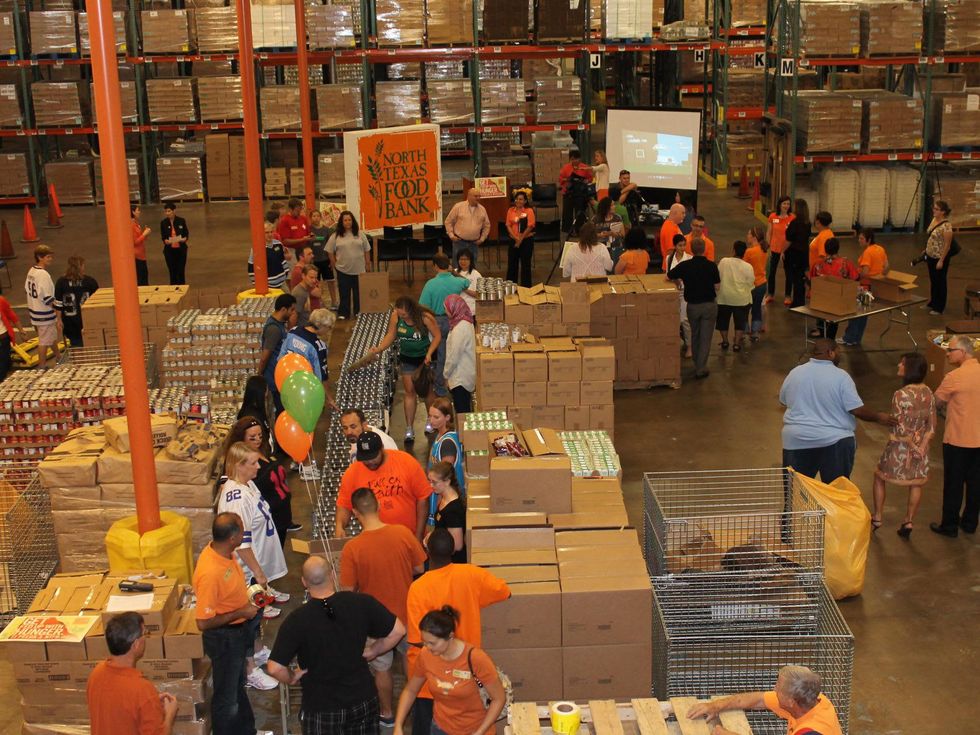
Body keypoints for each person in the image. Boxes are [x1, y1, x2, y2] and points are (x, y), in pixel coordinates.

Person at [267, 556, 406, 735]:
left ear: (304, 582)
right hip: (362, 700)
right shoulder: (361, 603)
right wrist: (373, 651)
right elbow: (398, 630)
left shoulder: (296, 620)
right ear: (332, 574)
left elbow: (274, 667)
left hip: (321, 707)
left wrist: (292, 677)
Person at [405, 530, 510, 735]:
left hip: (429, 679)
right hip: (466, 676)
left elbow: (418, 640)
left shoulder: (418, 588)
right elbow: (504, 592)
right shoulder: (472, 574)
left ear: (427, 551)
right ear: (453, 550)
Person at [340, 487, 426, 723]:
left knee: (382, 668)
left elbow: (348, 591)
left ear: (355, 513)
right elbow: (420, 568)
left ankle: (386, 713)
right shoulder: (403, 533)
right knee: (412, 662)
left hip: (375, 622)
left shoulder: (352, 548)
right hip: (407, 614)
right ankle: (419, 709)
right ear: (377, 505)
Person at [780, 338, 895, 481]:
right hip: (835, 441)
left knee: (795, 493)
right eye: (838, 352)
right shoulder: (841, 377)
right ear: (831, 353)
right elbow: (856, 410)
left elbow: (783, 400)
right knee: (836, 493)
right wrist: (879, 417)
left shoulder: (795, 373)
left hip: (797, 440)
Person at [192, 513, 261, 735]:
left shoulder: (223, 552)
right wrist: (240, 612)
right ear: (232, 538)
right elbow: (203, 622)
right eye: (241, 530)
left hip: (236, 634)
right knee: (226, 697)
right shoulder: (211, 573)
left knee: (236, 685)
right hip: (224, 639)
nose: (244, 533)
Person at [394, 606, 505, 735]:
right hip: (440, 728)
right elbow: (410, 690)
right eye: (424, 642)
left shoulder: (476, 659)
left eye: (432, 643)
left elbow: (499, 699)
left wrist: (480, 732)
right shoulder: (425, 655)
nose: (427, 647)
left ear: (450, 636)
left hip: (475, 729)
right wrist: (398, 726)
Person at [218, 442, 289, 617]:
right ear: (239, 465)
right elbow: (241, 544)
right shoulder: (237, 500)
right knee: (251, 607)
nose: (259, 466)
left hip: (261, 546)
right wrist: (257, 572)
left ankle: (265, 588)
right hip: (247, 566)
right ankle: (258, 598)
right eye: (253, 463)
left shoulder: (247, 483)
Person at [872, 352, 935, 538]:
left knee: (879, 476)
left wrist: (911, 445)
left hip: (900, 449)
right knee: (916, 483)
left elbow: (899, 428)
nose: (899, 365)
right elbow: (931, 426)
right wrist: (922, 446)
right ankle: (908, 520)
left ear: (910, 369)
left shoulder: (900, 395)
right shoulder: (928, 392)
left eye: (902, 364)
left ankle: (877, 517)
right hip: (921, 449)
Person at [86, 611, 179, 735]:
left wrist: (147, 705)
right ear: (135, 645)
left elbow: (116, 710)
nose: (146, 638)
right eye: (144, 634)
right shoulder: (142, 690)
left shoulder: (96, 674)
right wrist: (169, 716)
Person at [687, 665, 843, 735]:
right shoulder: (811, 700)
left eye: (778, 687)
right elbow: (758, 699)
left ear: (790, 701)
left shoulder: (811, 732)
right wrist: (716, 705)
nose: (774, 689)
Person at [335, 431, 433, 539]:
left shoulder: (406, 462)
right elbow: (344, 505)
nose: (370, 462)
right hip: (376, 542)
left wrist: (418, 537)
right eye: (365, 459)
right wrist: (340, 526)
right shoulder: (352, 473)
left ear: (381, 448)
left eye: (373, 457)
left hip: (410, 537)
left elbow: (423, 498)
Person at [370, 296, 441, 442]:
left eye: (405, 314)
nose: (402, 316)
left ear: (411, 310)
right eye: (400, 313)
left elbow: (437, 336)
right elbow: (391, 335)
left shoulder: (425, 318)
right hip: (407, 359)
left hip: (424, 361)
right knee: (410, 392)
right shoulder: (396, 317)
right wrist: (380, 348)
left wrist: (429, 353)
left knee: (427, 391)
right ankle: (409, 427)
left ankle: (430, 420)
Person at [929, 336, 980, 537]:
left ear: (963, 352)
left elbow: (937, 401)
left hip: (958, 440)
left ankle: (949, 525)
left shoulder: (954, 377)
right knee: (976, 484)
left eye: (950, 350)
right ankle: (969, 523)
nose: (948, 353)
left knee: (953, 484)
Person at [225, 416, 296, 544]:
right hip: (268, 520)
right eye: (252, 437)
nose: (257, 439)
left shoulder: (265, 450)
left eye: (260, 435)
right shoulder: (243, 463)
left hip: (282, 515)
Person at [420, 254, 474, 399]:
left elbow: (423, 307)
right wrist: (454, 272)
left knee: (441, 354)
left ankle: (439, 385)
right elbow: (467, 283)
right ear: (448, 266)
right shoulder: (457, 282)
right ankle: (451, 381)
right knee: (452, 353)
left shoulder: (430, 284)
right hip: (453, 320)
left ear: (435, 266)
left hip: (436, 321)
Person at [667, 238, 720, 379]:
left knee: (695, 334)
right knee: (705, 337)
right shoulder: (711, 266)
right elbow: (717, 286)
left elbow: (669, 275)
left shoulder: (685, 265)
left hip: (693, 306)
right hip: (709, 306)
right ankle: (701, 368)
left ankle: (697, 362)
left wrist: (677, 280)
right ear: (704, 250)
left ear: (691, 248)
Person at [841, 229, 889, 346]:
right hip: (874, 285)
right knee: (863, 314)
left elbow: (865, 272)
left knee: (855, 313)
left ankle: (849, 338)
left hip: (864, 286)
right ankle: (857, 338)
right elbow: (887, 266)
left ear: (869, 240)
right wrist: (878, 275)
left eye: (862, 238)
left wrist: (853, 273)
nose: (859, 240)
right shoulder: (880, 249)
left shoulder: (867, 253)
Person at [808, 238, 859, 341]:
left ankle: (822, 333)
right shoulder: (846, 264)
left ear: (825, 249)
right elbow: (855, 278)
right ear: (838, 248)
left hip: (820, 299)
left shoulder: (818, 264)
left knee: (821, 317)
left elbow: (812, 281)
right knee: (833, 321)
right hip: (838, 301)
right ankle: (830, 339)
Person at [327, 209, 372, 321]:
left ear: (353, 221)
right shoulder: (335, 236)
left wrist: (367, 263)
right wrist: (334, 263)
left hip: (359, 270)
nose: (347, 222)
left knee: (358, 294)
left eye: (349, 220)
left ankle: (358, 312)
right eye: (345, 220)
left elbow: (367, 250)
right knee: (344, 293)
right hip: (343, 270)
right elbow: (329, 250)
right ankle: (344, 312)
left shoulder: (360, 234)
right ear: (341, 222)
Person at [257, 293, 297, 416]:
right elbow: (265, 356)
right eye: (291, 310)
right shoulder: (273, 329)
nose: (292, 313)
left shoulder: (279, 324)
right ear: (283, 309)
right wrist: (259, 375)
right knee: (282, 410)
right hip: (275, 378)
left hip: (280, 375)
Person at [25, 244, 61, 370]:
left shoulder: (31, 271)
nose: (50, 259)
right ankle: (41, 366)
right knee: (44, 341)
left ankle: (58, 356)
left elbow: (27, 290)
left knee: (50, 337)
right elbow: (48, 298)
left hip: (34, 311)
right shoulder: (43, 275)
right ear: (40, 257)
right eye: (48, 257)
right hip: (44, 313)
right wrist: (59, 311)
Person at [716, 240, 755, 352]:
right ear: (744, 253)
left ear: (733, 250)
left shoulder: (724, 261)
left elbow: (718, 276)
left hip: (724, 297)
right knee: (740, 322)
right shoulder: (748, 267)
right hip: (741, 300)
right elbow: (751, 283)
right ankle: (736, 344)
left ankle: (725, 341)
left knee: (723, 321)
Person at [54, 255, 99, 348]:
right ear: (80, 267)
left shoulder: (61, 282)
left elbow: (58, 304)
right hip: (87, 320)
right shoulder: (90, 281)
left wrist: (59, 319)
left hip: (69, 322)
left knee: (75, 346)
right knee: (91, 345)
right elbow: (98, 301)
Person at [427, 396, 465, 505]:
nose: (431, 420)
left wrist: (440, 506)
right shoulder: (440, 434)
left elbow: (445, 476)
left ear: (447, 417)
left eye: (436, 417)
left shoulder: (447, 443)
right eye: (430, 416)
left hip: (444, 498)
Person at [427, 461, 466, 562]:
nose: (431, 485)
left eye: (434, 482)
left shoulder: (453, 510)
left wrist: (431, 542)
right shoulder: (443, 497)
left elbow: (457, 545)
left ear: (447, 482)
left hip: (452, 562)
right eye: (429, 481)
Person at [443, 294, 476, 415]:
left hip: (460, 378)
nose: (445, 311)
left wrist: (446, 374)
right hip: (466, 374)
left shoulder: (459, 329)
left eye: (446, 308)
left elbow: (453, 356)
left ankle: (464, 434)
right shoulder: (467, 322)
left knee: (462, 414)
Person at [923, 199, 955, 315]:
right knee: (933, 280)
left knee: (940, 281)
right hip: (931, 255)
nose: (934, 211)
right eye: (934, 208)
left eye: (936, 209)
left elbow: (947, 245)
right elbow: (931, 236)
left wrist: (941, 260)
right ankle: (933, 302)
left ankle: (939, 307)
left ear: (943, 212)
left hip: (939, 257)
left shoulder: (947, 226)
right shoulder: (934, 220)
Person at [444, 188, 490, 266]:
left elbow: (487, 226)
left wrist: (482, 239)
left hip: (474, 244)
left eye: (479, 196)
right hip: (459, 242)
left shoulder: (482, 209)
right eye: (476, 196)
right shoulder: (458, 206)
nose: (478, 198)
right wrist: (451, 235)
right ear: (469, 196)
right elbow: (448, 221)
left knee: (472, 268)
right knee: (457, 267)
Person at [664, 234, 692, 359]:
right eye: (680, 245)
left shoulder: (690, 259)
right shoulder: (669, 259)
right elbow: (667, 275)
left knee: (684, 320)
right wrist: (675, 280)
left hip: (686, 293)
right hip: (673, 292)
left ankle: (689, 345)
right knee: (672, 319)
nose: (683, 248)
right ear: (675, 246)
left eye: (684, 245)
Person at [766, 196, 795, 305]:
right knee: (771, 272)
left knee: (789, 273)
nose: (786, 206)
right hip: (775, 249)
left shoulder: (792, 218)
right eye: (784, 204)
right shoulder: (773, 216)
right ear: (779, 205)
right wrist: (768, 245)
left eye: (788, 204)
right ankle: (770, 294)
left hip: (787, 249)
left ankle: (788, 296)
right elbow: (769, 232)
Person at [743, 225, 769, 341]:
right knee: (757, 309)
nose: (747, 236)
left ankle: (744, 330)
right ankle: (755, 333)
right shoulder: (763, 250)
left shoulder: (749, 251)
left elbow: (742, 267)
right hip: (762, 284)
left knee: (744, 308)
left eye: (749, 234)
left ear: (754, 237)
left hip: (751, 285)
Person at [783, 198, 811, 308]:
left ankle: (797, 303)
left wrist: (782, 251)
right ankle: (800, 300)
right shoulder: (807, 223)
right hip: (803, 253)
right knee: (801, 277)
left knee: (795, 278)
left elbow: (789, 240)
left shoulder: (794, 223)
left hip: (794, 254)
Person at [505, 190, 536, 287]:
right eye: (517, 199)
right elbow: (508, 225)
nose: (518, 201)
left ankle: (525, 289)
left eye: (521, 199)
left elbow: (530, 226)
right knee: (512, 265)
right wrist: (516, 238)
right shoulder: (510, 210)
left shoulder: (529, 211)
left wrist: (520, 239)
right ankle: (510, 288)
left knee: (525, 266)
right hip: (513, 240)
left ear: (525, 201)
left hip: (526, 241)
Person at [558, 150, 594, 234]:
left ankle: (579, 229)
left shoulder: (584, 167)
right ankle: (567, 230)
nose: (575, 161)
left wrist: (586, 181)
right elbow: (560, 180)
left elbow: (590, 178)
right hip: (568, 193)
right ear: (570, 159)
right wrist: (568, 180)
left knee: (580, 212)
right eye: (573, 159)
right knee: (567, 212)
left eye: (577, 159)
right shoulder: (565, 168)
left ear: (580, 159)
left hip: (580, 194)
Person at [310, 208, 338, 311]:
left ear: (320, 217)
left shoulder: (326, 230)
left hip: (325, 260)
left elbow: (331, 246)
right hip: (314, 261)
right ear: (311, 218)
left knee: (331, 281)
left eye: (317, 216)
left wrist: (332, 260)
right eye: (313, 216)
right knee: (316, 283)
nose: (316, 218)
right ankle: (320, 303)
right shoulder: (309, 230)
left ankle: (334, 301)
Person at [248, 221, 290, 290]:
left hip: (282, 284)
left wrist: (285, 275)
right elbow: (251, 267)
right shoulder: (257, 249)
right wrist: (257, 284)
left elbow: (283, 261)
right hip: (268, 287)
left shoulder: (278, 244)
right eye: (267, 232)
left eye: (271, 232)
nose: (270, 234)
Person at [160, 203, 189, 285]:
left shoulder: (181, 221)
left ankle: (182, 287)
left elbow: (186, 234)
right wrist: (166, 241)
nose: (167, 213)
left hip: (181, 250)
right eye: (166, 211)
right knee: (172, 271)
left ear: (174, 211)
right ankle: (173, 288)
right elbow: (163, 237)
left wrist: (185, 239)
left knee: (181, 270)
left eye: (169, 211)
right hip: (169, 251)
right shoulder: (163, 223)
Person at [593, 196, 625, 261]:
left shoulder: (617, 218)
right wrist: (601, 235)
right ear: (606, 208)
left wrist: (613, 234)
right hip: (599, 248)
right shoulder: (595, 219)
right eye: (612, 205)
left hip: (615, 248)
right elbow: (590, 235)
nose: (614, 207)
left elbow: (623, 234)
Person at [291, 264, 322, 330]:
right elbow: (294, 315)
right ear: (303, 276)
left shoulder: (306, 289)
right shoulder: (299, 293)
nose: (314, 281)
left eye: (315, 278)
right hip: (301, 331)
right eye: (311, 277)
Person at [454, 249, 481, 316]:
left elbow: (479, 295)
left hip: (471, 310)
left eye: (466, 259)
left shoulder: (476, 274)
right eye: (461, 259)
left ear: (471, 261)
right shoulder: (454, 273)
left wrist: (464, 289)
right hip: (456, 310)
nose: (463, 262)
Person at [0, 294, 19, 382]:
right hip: (3, 338)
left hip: (3, 338)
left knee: (4, 363)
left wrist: (21, 330)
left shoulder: (1, 301)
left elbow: (12, 316)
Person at [131, 205, 151, 286]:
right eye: (137, 210)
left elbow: (141, 239)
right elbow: (135, 242)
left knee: (144, 277)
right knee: (141, 279)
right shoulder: (131, 225)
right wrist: (144, 234)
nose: (139, 212)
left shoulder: (136, 224)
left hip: (142, 255)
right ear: (133, 212)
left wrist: (145, 234)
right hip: (137, 256)